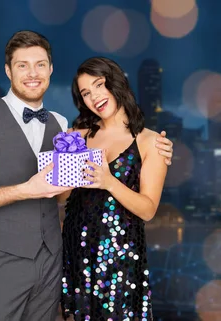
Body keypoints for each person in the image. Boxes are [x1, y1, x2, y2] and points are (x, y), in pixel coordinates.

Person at [0, 30, 174, 321]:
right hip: (37, 257)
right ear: (8, 70)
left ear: (50, 69)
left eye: (40, 64)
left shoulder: (64, 126)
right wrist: (31, 188)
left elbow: (143, 207)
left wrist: (112, 177)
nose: (33, 73)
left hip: (91, 260)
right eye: (22, 65)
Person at [58, 57, 168, 320]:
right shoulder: (76, 135)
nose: (94, 96)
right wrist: (63, 167)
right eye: (86, 92)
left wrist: (108, 182)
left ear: (116, 83)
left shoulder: (149, 141)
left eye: (99, 85)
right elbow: (62, 198)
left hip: (121, 261)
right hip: (77, 254)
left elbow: (148, 209)